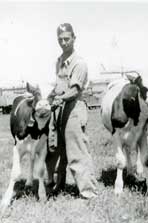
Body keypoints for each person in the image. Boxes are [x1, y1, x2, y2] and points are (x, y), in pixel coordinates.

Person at [46, 23, 98, 199]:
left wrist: (59, 99)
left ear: (74, 38)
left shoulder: (79, 63)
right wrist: (48, 99)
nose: (63, 42)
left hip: (73, 109)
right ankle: (58, 186)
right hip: (59, 110)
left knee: (77, 151)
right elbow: (58, 86)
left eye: (66, 39)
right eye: (60, 39)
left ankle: (88, 193)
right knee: (58, 150)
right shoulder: (59, 61)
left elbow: (74, 90)